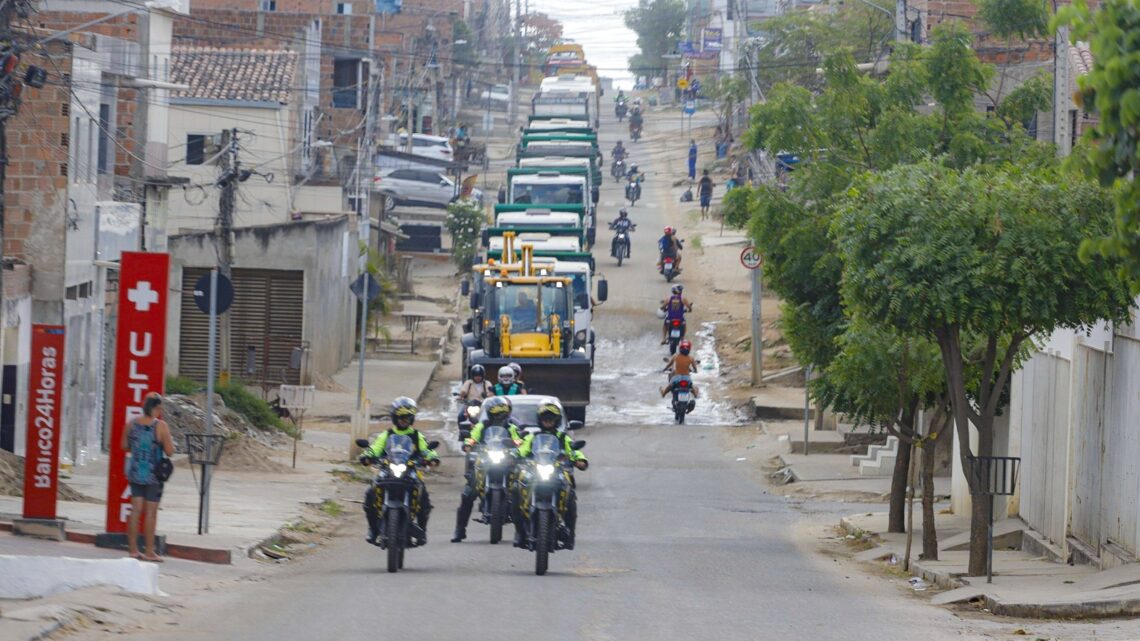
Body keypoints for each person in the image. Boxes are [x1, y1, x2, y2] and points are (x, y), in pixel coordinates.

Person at [361, 397, 440, 546]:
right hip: (388, 471)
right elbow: (375, 447)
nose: (404, 420)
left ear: (412, 418)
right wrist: (367, 456)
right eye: (401, 417)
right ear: (394, 417)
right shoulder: (387, 434)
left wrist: (432, 457)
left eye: (407, 417)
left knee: (425, 500)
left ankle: (422, 531)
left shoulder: (417, 436)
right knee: (370, 494)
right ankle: (373, 529)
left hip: (410, 472)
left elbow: (426, 449)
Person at [511, 400, 588, 549]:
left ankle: (570, 534)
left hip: (556, 471)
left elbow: (573, 450)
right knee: (515, 488)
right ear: (540, 420)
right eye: (545, 418)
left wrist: (580, 460)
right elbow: (522, 449)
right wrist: (514, 455)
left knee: (570, 493)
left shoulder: (562, 437)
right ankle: (519, 532)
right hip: (534, 470)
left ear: (556, 420)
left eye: (551, 418)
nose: (548, 421)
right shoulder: (532, 437)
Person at [452, 396, 523, 542]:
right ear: (490, 414)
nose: (499, 417)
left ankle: (521, 533)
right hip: (485, 460)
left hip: (506, 461)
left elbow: (518, 440)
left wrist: (519, 445)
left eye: (502, 414)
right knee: (468, 493)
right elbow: (473, 436)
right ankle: (460, 530)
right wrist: (469, 444)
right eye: (496, 414)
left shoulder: (511, 427)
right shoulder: (482, 426)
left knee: (520, 492)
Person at [123, 393, 175, 562]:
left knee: (135, 510)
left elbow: (124, 445)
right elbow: (170, 451)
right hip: (154, 475)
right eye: (159, 408)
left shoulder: (132, 424)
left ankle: (132, 550)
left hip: (136, 473)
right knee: (151, 513)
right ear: (154, 408)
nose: (160, 411)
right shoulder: (161, 426)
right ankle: (149, 551)